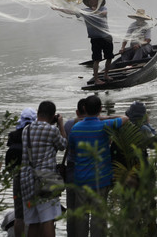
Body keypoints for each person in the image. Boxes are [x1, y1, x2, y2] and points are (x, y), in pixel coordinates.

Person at [68, 95, 128, 237]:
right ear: (100, 109)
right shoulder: (104, 126)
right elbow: (125, 118)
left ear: (83, 108)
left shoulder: (75, 129)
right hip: (101, 179)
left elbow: (73, 151)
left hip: (81, 179)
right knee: (99, 218)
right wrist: (103, 118)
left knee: (81, 217)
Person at [19, 101, 67, 237]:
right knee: (48, 219)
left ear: (38, 112)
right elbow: (63, 145)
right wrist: (61, 125)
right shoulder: (52, 130)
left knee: (32, 221)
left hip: (27, 180)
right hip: (45, 180)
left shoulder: (25, 130)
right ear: (53, 116)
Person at [6, 107, 38, 237]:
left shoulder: (13, 136)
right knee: (35, 214)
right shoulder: (37, 133)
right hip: (34, 176)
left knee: (19, 215)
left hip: (18, 176)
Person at [63, 97, 90, 237]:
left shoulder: (69, 125)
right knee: (84, 211)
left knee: (71, 210)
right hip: (88, 171)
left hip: (71, 171)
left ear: (77, 111)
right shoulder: (95, 125)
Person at [81, 0, 113, 85]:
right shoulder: (85, 11)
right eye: (90, 0)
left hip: (106, 37)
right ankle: (96, 79)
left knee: (109, 57)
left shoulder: (103, 8)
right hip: (95, 38)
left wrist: (95, 11)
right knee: (96, 59)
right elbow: (72, 11)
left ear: (98, 1)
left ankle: (106, 75)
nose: (92, 1)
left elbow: (104, 14)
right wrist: (58, 8)